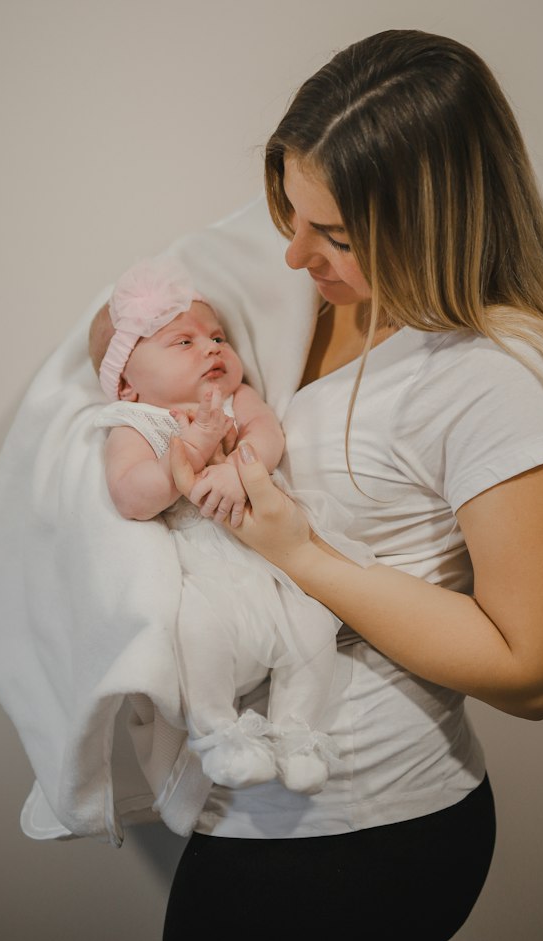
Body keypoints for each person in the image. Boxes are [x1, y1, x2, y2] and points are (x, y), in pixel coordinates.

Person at [164, 29, 543, 940]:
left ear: (434, 221)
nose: (295, 256)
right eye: (291, 213)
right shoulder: (324, 296)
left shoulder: (498, 374)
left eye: (336, 234)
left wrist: (298, 553)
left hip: (363, 828)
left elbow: (536, 669)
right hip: (248, 801)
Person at [88, 256, 349, 796]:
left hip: (268, 563)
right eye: (183, 342)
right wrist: (188, 454)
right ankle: (220, 735)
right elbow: (131, 496)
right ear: (127, 383)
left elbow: (267, 434)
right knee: (194, 635)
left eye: (218, 337)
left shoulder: (236, 398)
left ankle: (298, 734)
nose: (211, 348)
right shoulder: (135, 423)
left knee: (315, 626)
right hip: (200, 570)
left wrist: (238, 466)